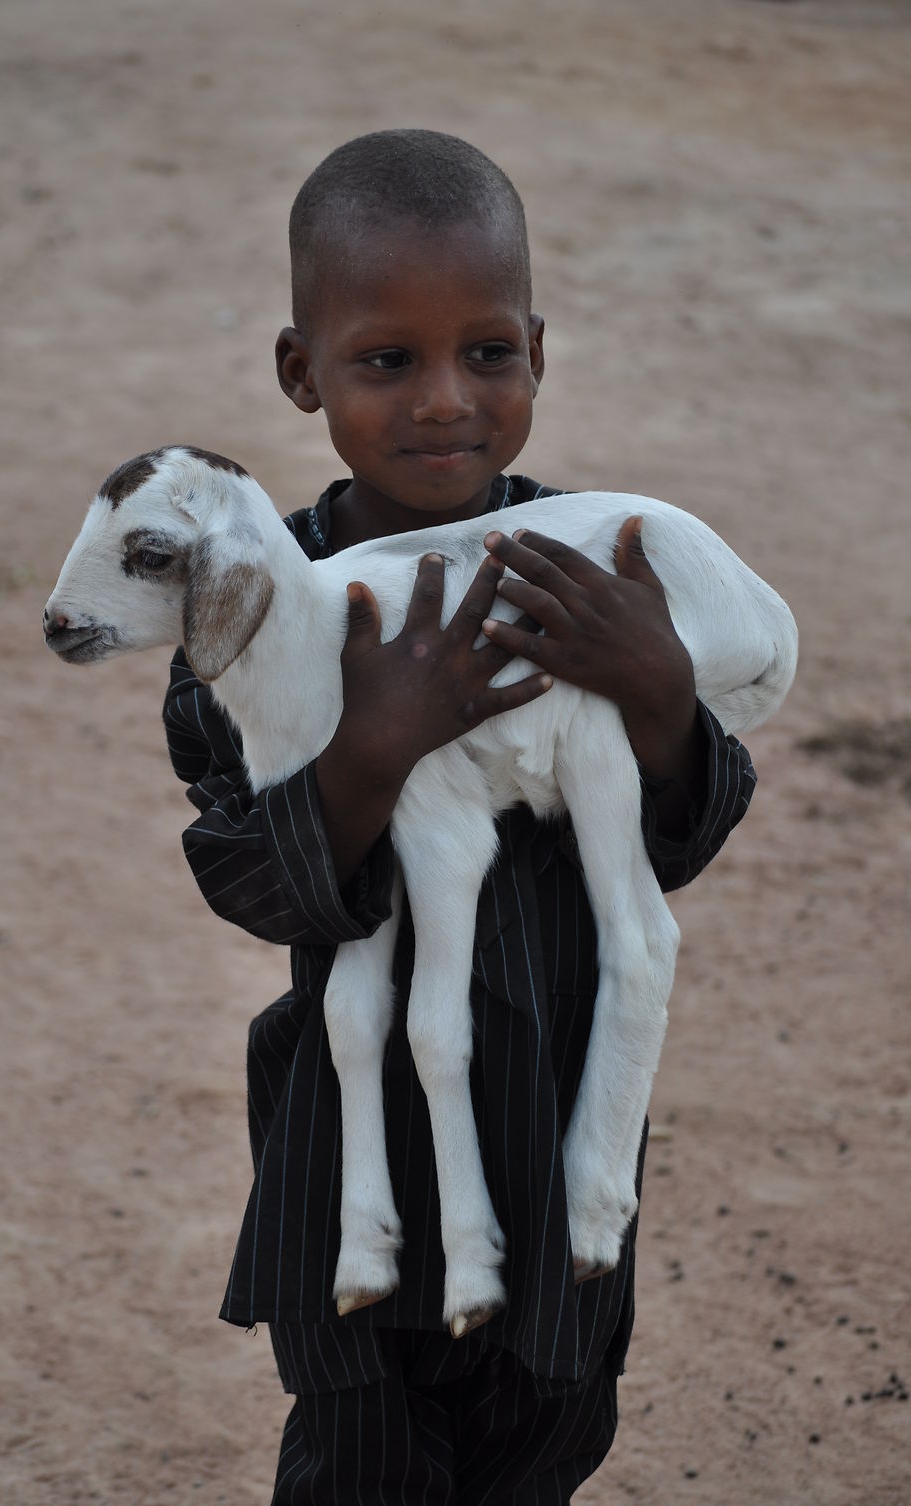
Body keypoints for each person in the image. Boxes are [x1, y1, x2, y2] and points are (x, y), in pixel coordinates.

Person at [163, 129, 756, 1504]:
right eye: (388, 360)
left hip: (558, 1136)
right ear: (302, 371)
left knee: (544, 1441)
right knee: (364, 1462)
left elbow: (677, 838)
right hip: (356, 1158)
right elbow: (251, 876)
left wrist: (661, 695)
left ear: (538, 351)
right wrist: (374, 744)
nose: (447, 399)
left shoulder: (587, 574)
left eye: (489, 351)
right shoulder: (261, 612)